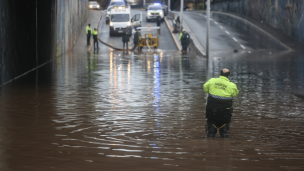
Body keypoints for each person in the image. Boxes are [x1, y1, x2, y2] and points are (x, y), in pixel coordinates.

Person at [203, 68, 239, 138]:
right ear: (228, 77)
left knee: (210, 134)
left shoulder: (212, 81)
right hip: (225, 114)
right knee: (224, 134)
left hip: (212, 112)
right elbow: (234, 94)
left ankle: (209, 146)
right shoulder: (232, 85)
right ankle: (224, 146)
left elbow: (205, 89)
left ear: (219, 75)